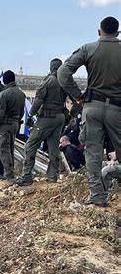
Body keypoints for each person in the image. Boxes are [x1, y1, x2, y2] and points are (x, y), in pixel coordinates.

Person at [58, 16, 120, 207]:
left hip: (92, 106)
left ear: (99, 32)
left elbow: (63, 72)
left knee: (92, 152)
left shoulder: (88, 48)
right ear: (117, 33)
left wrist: (77, 95)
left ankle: (97, 196)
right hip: (118, 109)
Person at [15, 59, 66, 186]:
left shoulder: (49, 81)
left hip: (47, 117)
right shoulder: (65, 81)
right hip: (60, 117)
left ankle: (27, 176)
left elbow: (38, 100)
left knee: (30, 145)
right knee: (54, 147)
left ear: (51, 67)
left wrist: (30, 115)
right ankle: (52, 177)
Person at [0, 70, 26, 181]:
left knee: (3, 148)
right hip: (15, 123)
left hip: (4, 125)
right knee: (10, 147)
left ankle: (9, 175)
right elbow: (22, 112)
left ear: (5, 80)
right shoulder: (21, 94)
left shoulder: (4, 94)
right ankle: (10, 173)